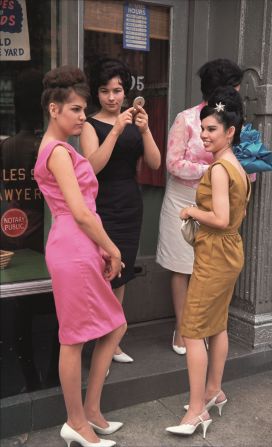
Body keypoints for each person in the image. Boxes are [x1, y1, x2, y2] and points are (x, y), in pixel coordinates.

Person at [34, 65, 127, 447]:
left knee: (113, 326)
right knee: (73, 339)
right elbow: (81, 211)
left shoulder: (63, 148)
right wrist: (112, 247)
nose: (81, 116)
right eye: (74, 109)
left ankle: (90, 411)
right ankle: (76, 420)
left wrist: (101, 247)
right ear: (54, 109)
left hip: (79, 246)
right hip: (74, 246)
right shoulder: (56, 151)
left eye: (82, 109)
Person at [166, 86, 251, 438]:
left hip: (216, 251)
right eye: (202, 129)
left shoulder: (218, 169)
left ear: (230, 131)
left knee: (192, 330)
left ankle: (198, 410)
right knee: (217, 325)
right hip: (230, 250)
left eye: (212, 129)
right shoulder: (237, 167)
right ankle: (214, 390)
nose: (204, 134)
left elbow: (218, 216)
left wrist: (190, 210)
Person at [156, 59, 243, 354]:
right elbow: (172, 163)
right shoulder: (186, 119)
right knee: (182, 267)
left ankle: (202, 327)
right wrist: (214, 170)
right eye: (234, 87)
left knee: (206, 267)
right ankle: (183, 329)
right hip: (184, 199)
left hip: (218, 204)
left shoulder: (232, 122)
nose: (238, 92)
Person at [80, 58, 160, 363]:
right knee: (102, 273)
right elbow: (91, 168)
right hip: (101, 206)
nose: (112, 97)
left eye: (117, 90)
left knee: (122, 274)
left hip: (130, 204)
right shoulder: (90, 124)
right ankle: (100, 341)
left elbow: (154, 163)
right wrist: (115, 131)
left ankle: (113, 341)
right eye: (104, 91)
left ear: (125, 90)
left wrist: (146, 130)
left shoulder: (135, 122)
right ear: (96, 93)